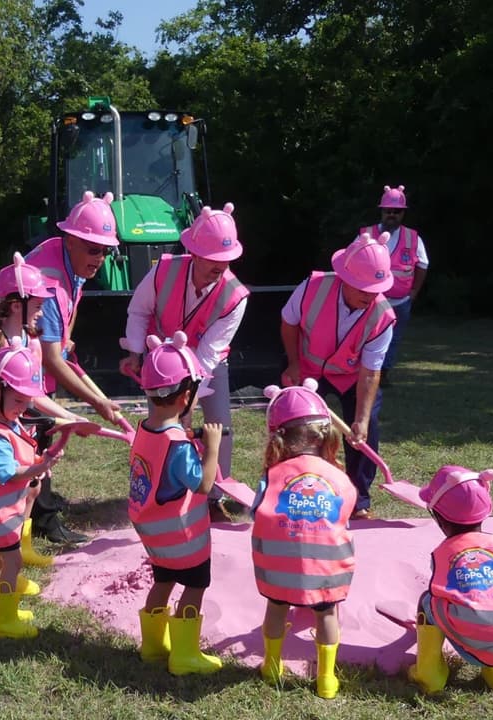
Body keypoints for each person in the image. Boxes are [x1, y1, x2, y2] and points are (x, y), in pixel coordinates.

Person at [121, 203, 249, 521]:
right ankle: (162, 491)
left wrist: (188, 398)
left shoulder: (236, 296)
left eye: (227, 259)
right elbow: (139, 311)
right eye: (213, 259)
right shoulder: (164, 270)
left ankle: (213, 497)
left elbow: (209, 353)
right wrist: (136, 352)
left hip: (208, 364)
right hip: (162, 360)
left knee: (219, 427)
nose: (221, 266)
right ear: (194, 253)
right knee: (163, 428)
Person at [0, 252, 87, 564]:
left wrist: (67, 416)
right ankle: (3, 556)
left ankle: (23, 549)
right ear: (17, 304)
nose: (42, 314)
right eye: (39, 306)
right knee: (6, 492)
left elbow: (35, 393)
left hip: (23, 429)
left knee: (31, 485)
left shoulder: (30, 342)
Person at [24, 190, 126, 543]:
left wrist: (64, 335)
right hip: (13, 365)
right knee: (35, 435)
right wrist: (98, 404)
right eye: (93, 248)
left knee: (41, 432)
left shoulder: (73, 263)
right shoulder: (48, 281)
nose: (100, 257)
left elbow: (76, 295)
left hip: (34, 356)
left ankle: (40, 501)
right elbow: (52, 363)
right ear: (70, 240)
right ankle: (43, 521)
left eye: (105, 250)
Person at [250, 379, 355, 699]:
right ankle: (325, 679)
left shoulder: (271, 476)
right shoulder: (339, 477)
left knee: (277, 609)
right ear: (322, 435)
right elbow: (346, 512)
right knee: (326, 615)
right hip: (327, 570)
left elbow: (256, 510)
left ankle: (271, 665)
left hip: (279, 569)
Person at [128, 331, 224, 676]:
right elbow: (203, 485)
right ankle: (185, 655)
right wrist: (211, 446)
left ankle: (152, 646)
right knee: (194, 586)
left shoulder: (144, 429)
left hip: (153, 534)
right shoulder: (178, 446)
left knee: (163, 582)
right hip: (182, 538)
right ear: (186, 396)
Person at [280, 233, 395, 521]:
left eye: (375, 289)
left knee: (363, 433)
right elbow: (289, 322)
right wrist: (294, 363)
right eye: (363, 288)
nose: (369, 295)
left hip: (352, 376)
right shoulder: (311, 288)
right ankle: (299, 487)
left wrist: (362, 419)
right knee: (299, 427)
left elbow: (370, 372)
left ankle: (359, 500)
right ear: (345, 277)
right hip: (308, 369)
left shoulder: (383, 316)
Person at [409, 465, 493, 697]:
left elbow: (442, 592)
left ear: (439, 518)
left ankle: (429, 673)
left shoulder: (445, 552)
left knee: (428, 600)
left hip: (468, 638)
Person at [0, 338, 64, 640]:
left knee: (6, 560)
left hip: (5, 515)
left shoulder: (8, 421)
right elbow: (10, 473)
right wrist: (40, 467)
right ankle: (6, 620)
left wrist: (40, 459)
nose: (24, 408)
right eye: (19, 401)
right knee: (13, 561)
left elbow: (21, 453)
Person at [359, 185, 428, 386]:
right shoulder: (367, 234)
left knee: (394, 339)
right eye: (388, 210)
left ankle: (384, 374)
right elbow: (350, 260)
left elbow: (423, 264)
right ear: (381, 211)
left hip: (401, 301)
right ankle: (362, 372)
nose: (392, 215)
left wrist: (414, 291)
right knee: (366, 337)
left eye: (396, 211)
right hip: (371, 300)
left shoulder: (413, 237)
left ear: (403, 213)